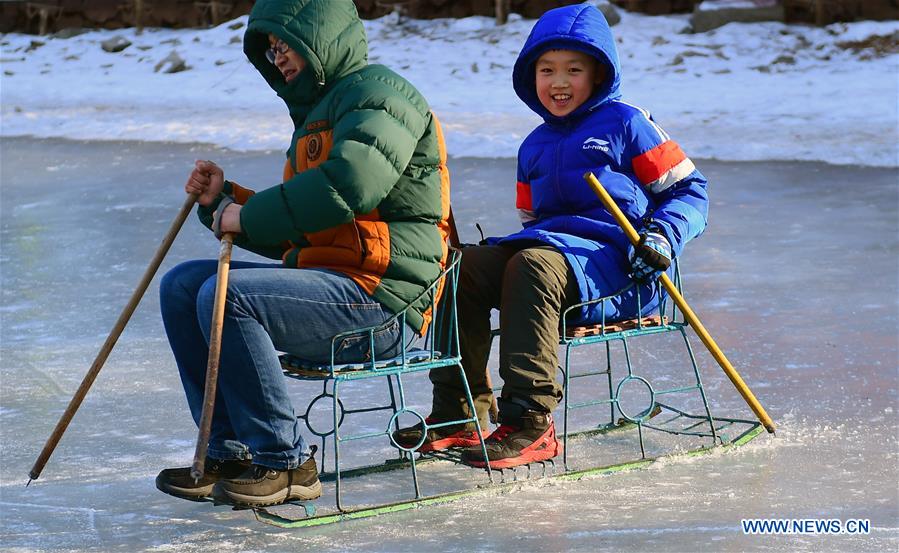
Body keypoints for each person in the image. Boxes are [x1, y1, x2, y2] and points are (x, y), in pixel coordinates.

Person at [154, 0, 452, 507]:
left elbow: (349, 184)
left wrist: (245, 217)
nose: (277, 58)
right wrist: (226, 204)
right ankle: (232, 452)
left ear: (320, 34)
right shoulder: (319, 115)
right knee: (183, 286)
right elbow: (304, 227)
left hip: (386, 300)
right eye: (269, 50)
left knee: (231, 298)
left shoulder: (381, 94)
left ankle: (285, 461)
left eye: (284, 44)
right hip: (335, 286)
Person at [394, 3, 709, 469]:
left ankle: (529, 423)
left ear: (598, 74)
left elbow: (690, 191)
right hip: (556, 259)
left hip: (624, 266)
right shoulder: (534, 145)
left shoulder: (627, 124)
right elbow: (530, 219)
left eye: (573, 70)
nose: (558, 82)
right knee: (460, 266)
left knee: (533, 264)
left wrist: (662, 238)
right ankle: (460, 412)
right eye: (547, 70)